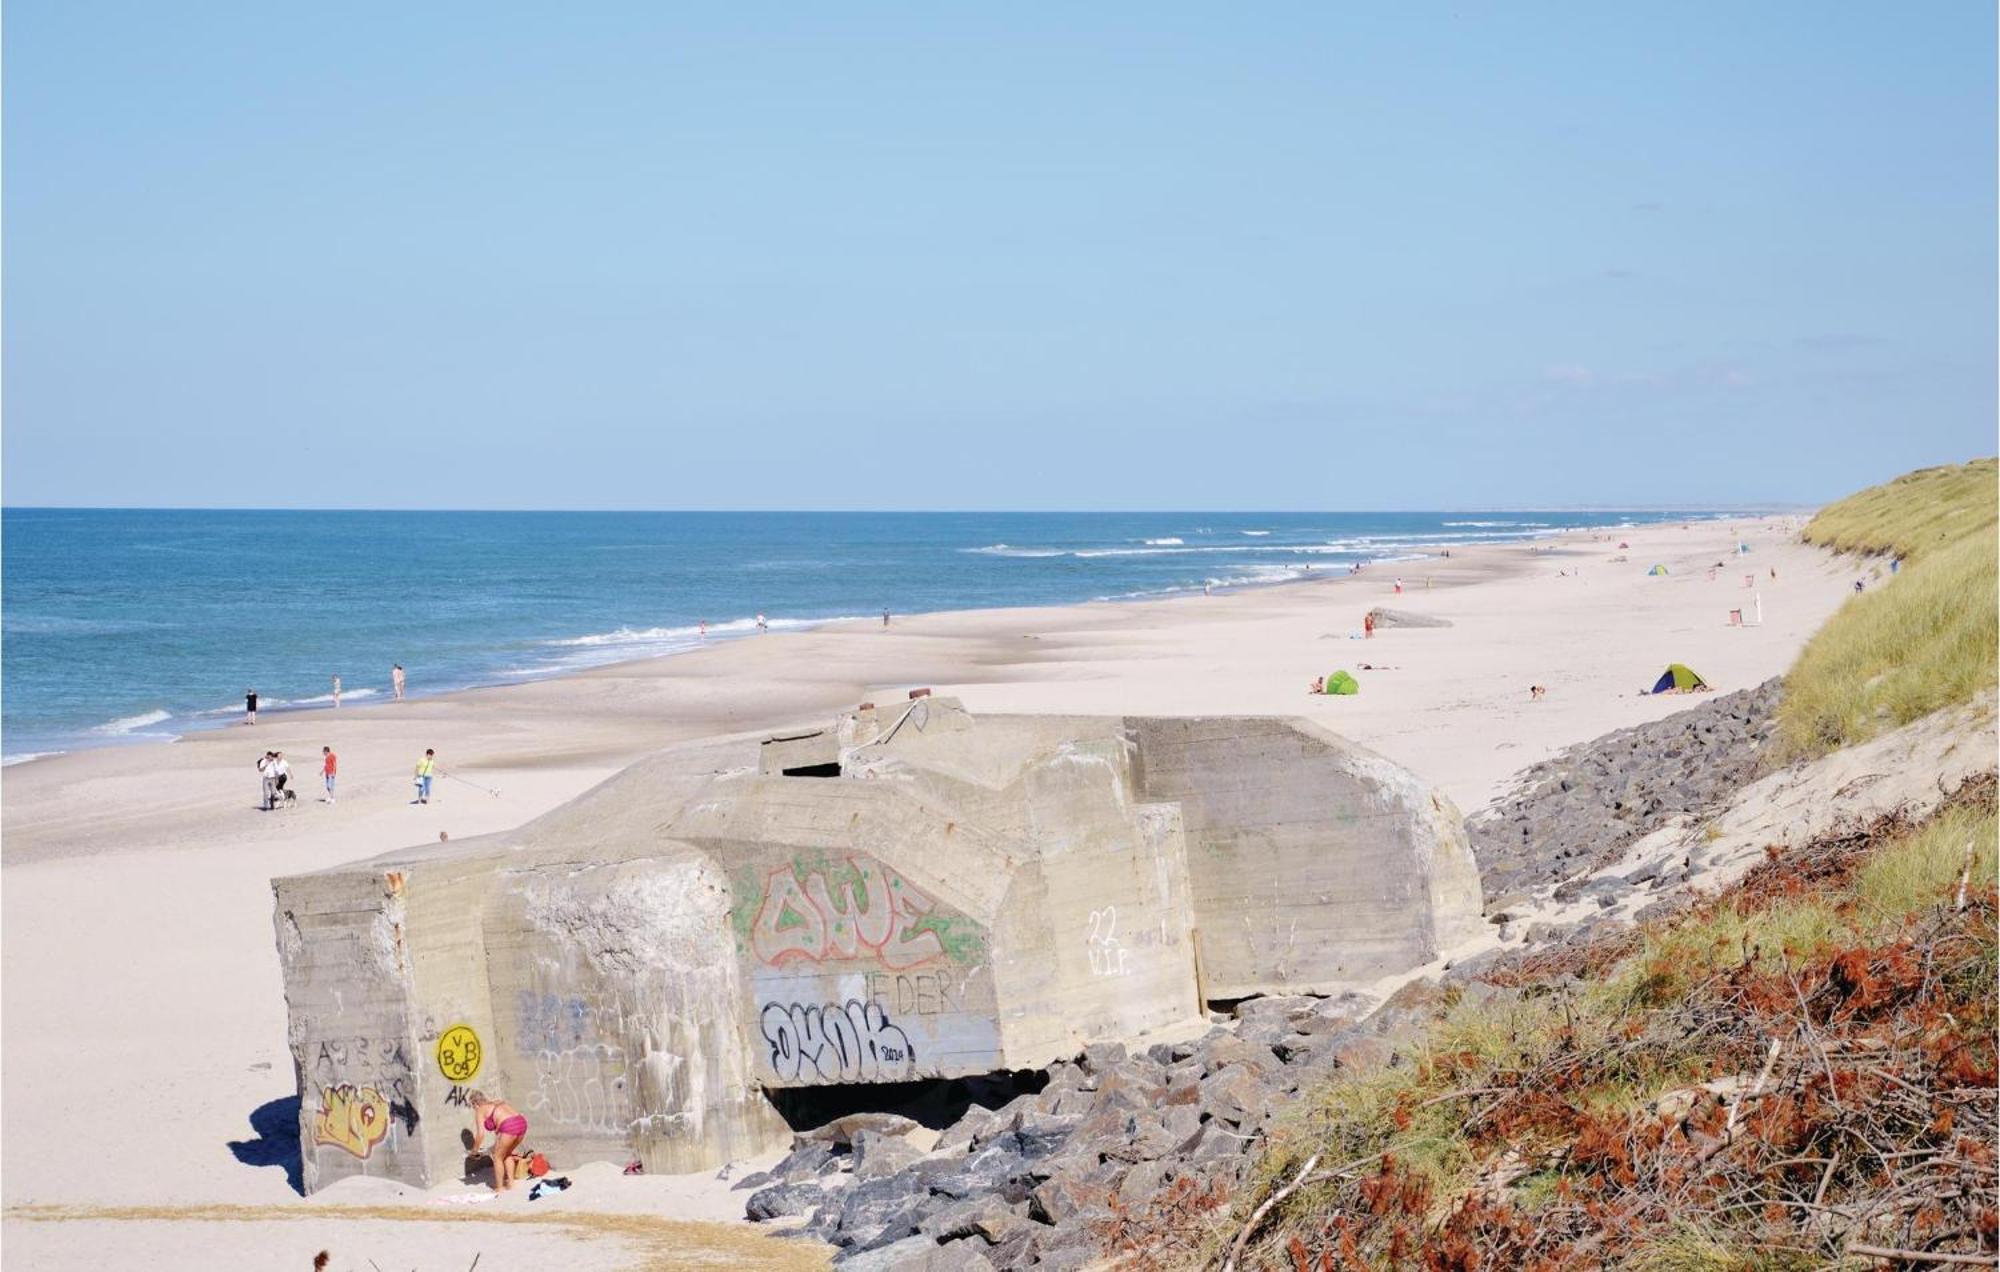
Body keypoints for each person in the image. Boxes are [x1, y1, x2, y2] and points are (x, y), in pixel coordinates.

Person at [466, 1091, 529, 1192]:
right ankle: (511, 1183)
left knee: (497, 1157)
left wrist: (474, 1151)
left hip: (509, 1126)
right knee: (507, 1154)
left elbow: (480, 1135)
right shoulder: (497, 1102)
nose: (474, 1109)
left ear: (475, 1104)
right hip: (521, 1122)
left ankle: (499, 1188)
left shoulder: (480, 1110)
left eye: (473, 1106)